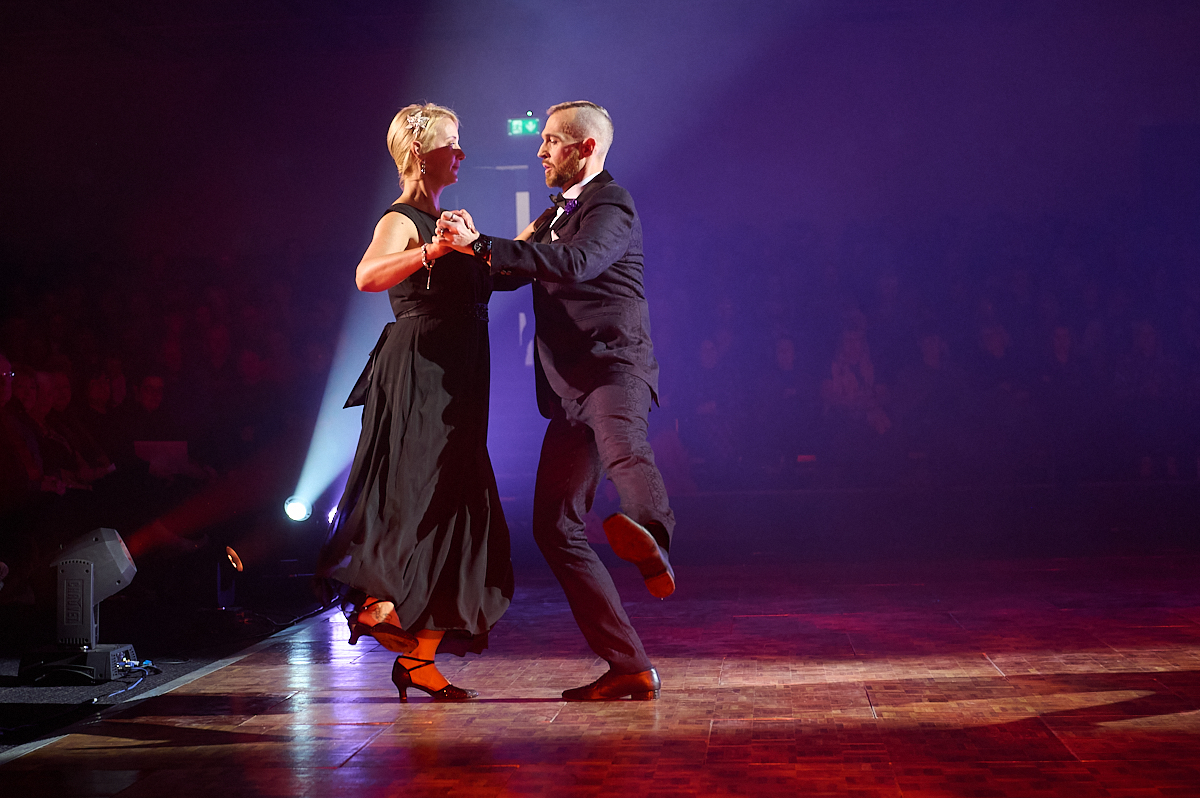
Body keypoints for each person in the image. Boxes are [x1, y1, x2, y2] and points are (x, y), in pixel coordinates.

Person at [438, 101, 675, 701]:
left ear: (586, 148)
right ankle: (630, 666)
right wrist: (451, 249)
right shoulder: (551, 217)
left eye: (551, 140)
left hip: (612, 368)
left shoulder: (610, 204)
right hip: (569, 388)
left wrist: (484, 244)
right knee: (554, 525)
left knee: (624, 451)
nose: (540, 149)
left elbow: (576, 263)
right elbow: (506, 272)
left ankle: (653, 533)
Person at [315, 103, 513, 702]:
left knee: (460, 510)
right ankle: (377, 602)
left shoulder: (449, 221)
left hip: (459, 378)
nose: (461, 154)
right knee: (418, 497)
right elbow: (367, 276)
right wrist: (434, 251)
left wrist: (513, 239)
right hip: (420, 374)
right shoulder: (401, 219)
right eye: (452, 144)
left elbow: (496, 272)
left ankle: (418, 658)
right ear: (421, 155)